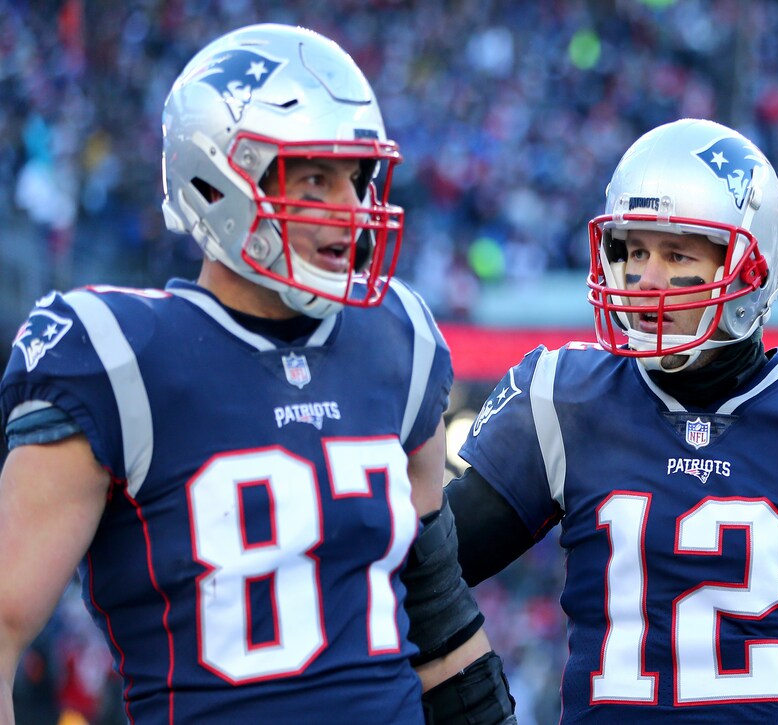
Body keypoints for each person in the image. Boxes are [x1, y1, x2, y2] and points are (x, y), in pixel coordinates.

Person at [0, 24, 515, 724]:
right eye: (313, 177)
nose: (352, 210)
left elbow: (436, 610)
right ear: (216, 178)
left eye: (357, 178)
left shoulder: (398, 337)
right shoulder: (115, 357)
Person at [447, 118, 778, 723]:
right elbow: (417, 579)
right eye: (635, 250)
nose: (645, 278)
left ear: (751, 268)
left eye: (676, 252)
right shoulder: (566, 400)